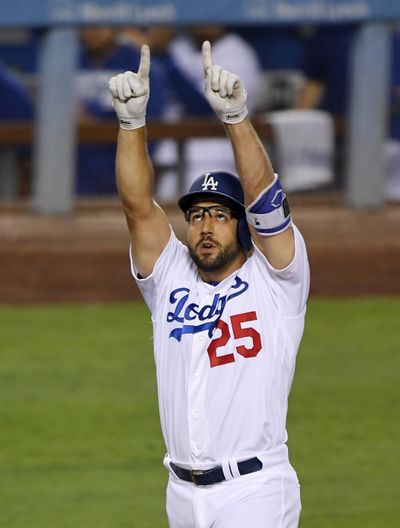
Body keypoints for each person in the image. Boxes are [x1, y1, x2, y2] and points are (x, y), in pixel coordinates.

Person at [109, 41, 310, 527]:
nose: (204, 226)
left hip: (255, 490)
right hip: (182, 495)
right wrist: (131, 126)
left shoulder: (279, 279)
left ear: (242, 227)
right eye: (197, 215)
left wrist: (237, 118)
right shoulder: (170, 278)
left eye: (220, 216)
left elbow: (264, 197)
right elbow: (138, 208)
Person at [76, 26, 166, 195]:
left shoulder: (136, 61)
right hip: (78, 166)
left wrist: (97, 120)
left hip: (123, 161)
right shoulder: (69, 59)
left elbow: (152, 117)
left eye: (102, 25)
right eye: (87, 25)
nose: (94, 31)